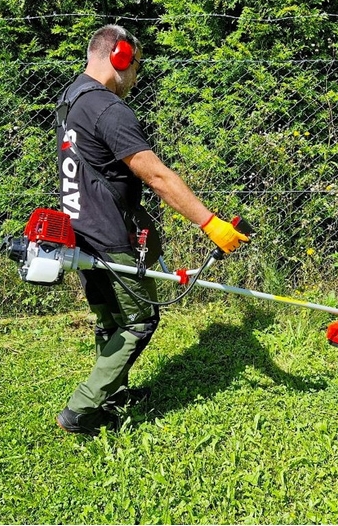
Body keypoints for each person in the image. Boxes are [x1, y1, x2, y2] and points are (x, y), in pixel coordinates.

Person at [55, 24, 248, 436]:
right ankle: (82, 409)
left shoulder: (71, 98)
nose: (137, 77)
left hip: (79, 228)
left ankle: (111, 393)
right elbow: (157, 176)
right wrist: (210, 222)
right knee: (139, 321)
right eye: (137, 65)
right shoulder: (109, 108)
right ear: (121, 57)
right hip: (110, 233)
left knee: (111, 318)